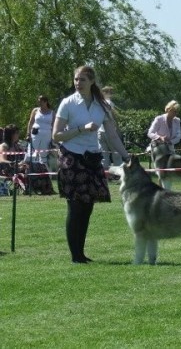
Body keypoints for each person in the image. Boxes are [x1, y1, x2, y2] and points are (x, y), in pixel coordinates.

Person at [52, 65, 130, 263]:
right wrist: (81, 129)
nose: (78, 83)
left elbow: (112, 135)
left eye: (82, 80)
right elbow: (56, 135)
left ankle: (81, 253)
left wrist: (126, 156)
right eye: (76, 79)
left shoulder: (102, 105)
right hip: (71, 157)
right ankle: (75, 256)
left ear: (92, 81)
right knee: (75, 206)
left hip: (92, 158)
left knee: (87, 206)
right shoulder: (68, 103)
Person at [0, 124, 55, 195]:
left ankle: (46, 189)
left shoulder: (17, 145)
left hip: (21, 166)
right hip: (9, 169)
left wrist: (23, 162)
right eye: (17, 133)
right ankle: (29, 189)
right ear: (11, 134)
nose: (18, 134)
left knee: (40, 166)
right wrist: (16, 163)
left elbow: (25, 157)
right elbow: (2, 160)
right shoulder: (4, 146)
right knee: (30, 168)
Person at [98, 86, 123, 170]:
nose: (111, 94)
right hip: (109, 131)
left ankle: (105, 173)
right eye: (110, 92)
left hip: (100, 131)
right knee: (116, 153)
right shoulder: (109, 102)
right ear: (105, 93)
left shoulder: (97, 103)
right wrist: (117, 127)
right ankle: (118, 172)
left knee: (104, 154)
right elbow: (113, 117)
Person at [26, 95, 55, 165]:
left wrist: (53, 137)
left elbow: (54, 125)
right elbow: (30, 122)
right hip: (35, 133)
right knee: (32, 152)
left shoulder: (52, 112)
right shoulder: (35, 110)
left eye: (41, 102)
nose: (39, 103)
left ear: (46, 102)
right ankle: (29, 167)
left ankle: (43, 168)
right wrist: (28, 134)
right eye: (39, 102)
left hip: (47, 135)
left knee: (44, 153)